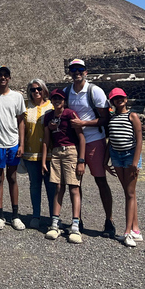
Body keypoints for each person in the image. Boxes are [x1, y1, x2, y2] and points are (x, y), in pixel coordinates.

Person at [64, 58, 115, 238]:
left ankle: (109, 220)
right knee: (75, 183)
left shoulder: (95, 91)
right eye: (73, 69)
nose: (76, 72)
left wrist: (83, 123)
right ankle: (77, 219)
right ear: (69, 72)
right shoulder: (66, 92)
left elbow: (105, 118)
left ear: (86, 71)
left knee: (100, 180)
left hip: (94, 140)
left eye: (80, 69)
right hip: (75, 142)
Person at [0, 65, 27, 231]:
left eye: (5, 75)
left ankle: (15, 215)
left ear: (9, 78)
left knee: (13, 177)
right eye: (0, 75)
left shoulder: (17, 97)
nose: (3, 78)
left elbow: (21, 121)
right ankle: (0, 215)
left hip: (12, 142)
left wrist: (22, 144)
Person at [42, 88, 86, 244]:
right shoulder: (48, 116)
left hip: (71, 151)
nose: (57, 101)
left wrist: (81, 160)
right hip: (56, 152)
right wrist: (43, 161)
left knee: (74, 187)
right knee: (58, 188)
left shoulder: (70, 114)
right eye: (54, 99)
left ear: (64, 100)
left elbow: (81, 137)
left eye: (59, 98)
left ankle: (75, 225)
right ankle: (55, 223)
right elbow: (47, 139)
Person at [105, 88, 144, 247]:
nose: (118, 100)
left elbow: (139, 140)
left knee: (130, 193)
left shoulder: (132, 116)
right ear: (112, 102)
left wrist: (135, 161)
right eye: (115, 99)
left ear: (126, 99)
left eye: (121, 98)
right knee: (128, 193)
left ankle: (127, 232)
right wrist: (105, 161)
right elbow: (110, 141)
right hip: (116, 156)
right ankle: (136, 230)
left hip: (129, 155)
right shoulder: (113, 118)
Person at [22, 79, 56, 229]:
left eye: (39, 89)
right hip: (31, 152)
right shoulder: (25, 107)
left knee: (51, 186)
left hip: (49, 153)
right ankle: (36, 215)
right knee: (34, 185)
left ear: (44, 90)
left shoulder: (52, 106)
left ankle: (53, 216)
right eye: (33, 90)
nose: (36, 92)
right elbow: (21, 126)